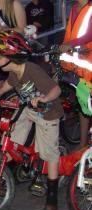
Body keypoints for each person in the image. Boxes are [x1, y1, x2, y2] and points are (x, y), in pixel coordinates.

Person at [0, 31, 63, 210]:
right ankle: (7, 165)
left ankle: (52, 194)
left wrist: (44, 99)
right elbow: (10, 84)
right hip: (29, 109)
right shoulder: (15, 70)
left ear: (8, 56)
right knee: (11, 128)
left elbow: (56, 90)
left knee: (49, 154)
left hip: (47, 114)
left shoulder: (31, 69)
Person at [60, 0, 92, 151]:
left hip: (89, 63)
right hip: (79, 65)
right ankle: (83, 142)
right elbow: (70, 34)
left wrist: (71, 44)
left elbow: (89, 34)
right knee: (83, 104)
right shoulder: (73, 8)